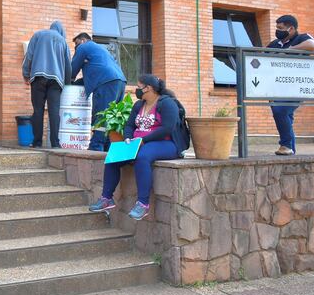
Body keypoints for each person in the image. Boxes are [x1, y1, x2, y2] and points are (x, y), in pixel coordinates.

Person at [88, 74, 189, 221]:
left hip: (167, 144)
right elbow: (129, 125)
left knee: (143, 157)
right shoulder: (139, 105)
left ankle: (143, 204)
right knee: (114, 155)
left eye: (139, 87)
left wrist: (144, 140)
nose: (137, 90)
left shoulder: (167, 104)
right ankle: (106, 199)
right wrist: (128, 138)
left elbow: (168, 128)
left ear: (148, 88)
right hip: (139, 143)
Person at [266, 14, 314, 156]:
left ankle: (286, 145)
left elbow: (312, 46)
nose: (277, 30)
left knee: (280, 111)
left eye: (280, 28)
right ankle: (290, 151)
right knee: (285, 117)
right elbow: (262, 57)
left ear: (291, 28)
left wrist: (290, 50)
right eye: (277, 28)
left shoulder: (302, 38)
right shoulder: (274, 44)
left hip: (296, 88)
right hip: (276, 88)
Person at [71, 33, 127, 151]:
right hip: (120, 81)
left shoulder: (84, 46)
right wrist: (77, 83)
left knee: (101, 114)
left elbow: (73, 68)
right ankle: (108, 147)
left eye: (76, 44)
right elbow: (92, 75)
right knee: (111, 116)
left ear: (83, 40)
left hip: (106, 83)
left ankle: (96, 147)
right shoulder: (100, 50)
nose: (76, 47)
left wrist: (69, 82)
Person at [22, 21, 72, 148]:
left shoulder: (38, 35)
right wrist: (66, 83)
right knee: (54, 112)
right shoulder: (63, 41)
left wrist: (26, 73)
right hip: (56, 81)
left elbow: (29, 56)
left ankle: (37, 142)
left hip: (38, 77)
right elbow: (68, 65)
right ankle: (55, 143)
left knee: (38, 111)